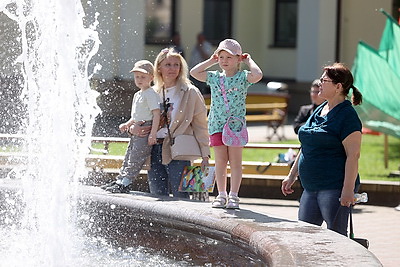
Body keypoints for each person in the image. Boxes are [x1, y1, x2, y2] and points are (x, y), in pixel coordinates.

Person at [281, 63, 363, 236]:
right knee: (305, 237)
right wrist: (291, 175)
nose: (319, 83)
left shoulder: (347, 116)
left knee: (335, 238)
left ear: (338, 87)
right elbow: (307, 146)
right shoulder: (320, 109)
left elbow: (353, 155)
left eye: (324, 80)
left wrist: (348, 190)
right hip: (310, 187)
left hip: (334, 188)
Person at [190, 39, 263, 209]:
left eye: (229, 57)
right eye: (221, 56)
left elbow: (258, 75)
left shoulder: (243, 77)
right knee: (220, 162)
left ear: (238, 59)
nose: (224, 60)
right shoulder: (214, 77)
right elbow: (194, 72)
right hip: (216, 125)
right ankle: (221, 194)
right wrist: (211, 60)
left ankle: (234, 196)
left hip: (235, 127)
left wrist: (249, 60)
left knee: (236, 162)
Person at [130, 47, 210, 198]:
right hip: (153, 149)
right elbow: (137, 117)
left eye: (176, 65)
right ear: (159, 67)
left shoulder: (190, 92)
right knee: (157, 198)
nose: (172, 68)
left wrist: (205, 156)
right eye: (168, 65)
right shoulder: (150, 92)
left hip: (179, 150)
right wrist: (132, 128)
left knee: (183, 199)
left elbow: (200, 125)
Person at [101, 60, 161, 193]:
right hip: (136, 127)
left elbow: (156, 114)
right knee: (129, 154)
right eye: (137, 77)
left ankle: (126, 182)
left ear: (151, 78)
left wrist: (153, 133)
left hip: (145, 128)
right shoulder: (137, 94)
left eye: (143, 77)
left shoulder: (151, 94)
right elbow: (136, 115)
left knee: (136, 157)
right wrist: (128, 124)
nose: (139, 80)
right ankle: (120, 179)